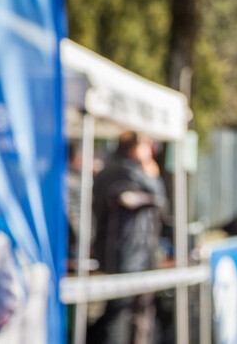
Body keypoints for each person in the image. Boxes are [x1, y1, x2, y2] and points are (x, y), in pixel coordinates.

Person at [88, 131, 167, 344]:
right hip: (126, 252)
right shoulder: (126, 170)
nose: (150, 150)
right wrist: (152, 176)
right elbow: (160, 200)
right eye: (145, 145)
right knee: (120, 313)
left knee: (137, 313)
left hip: (134, 252)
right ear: (135, 148)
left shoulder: (114, 168)